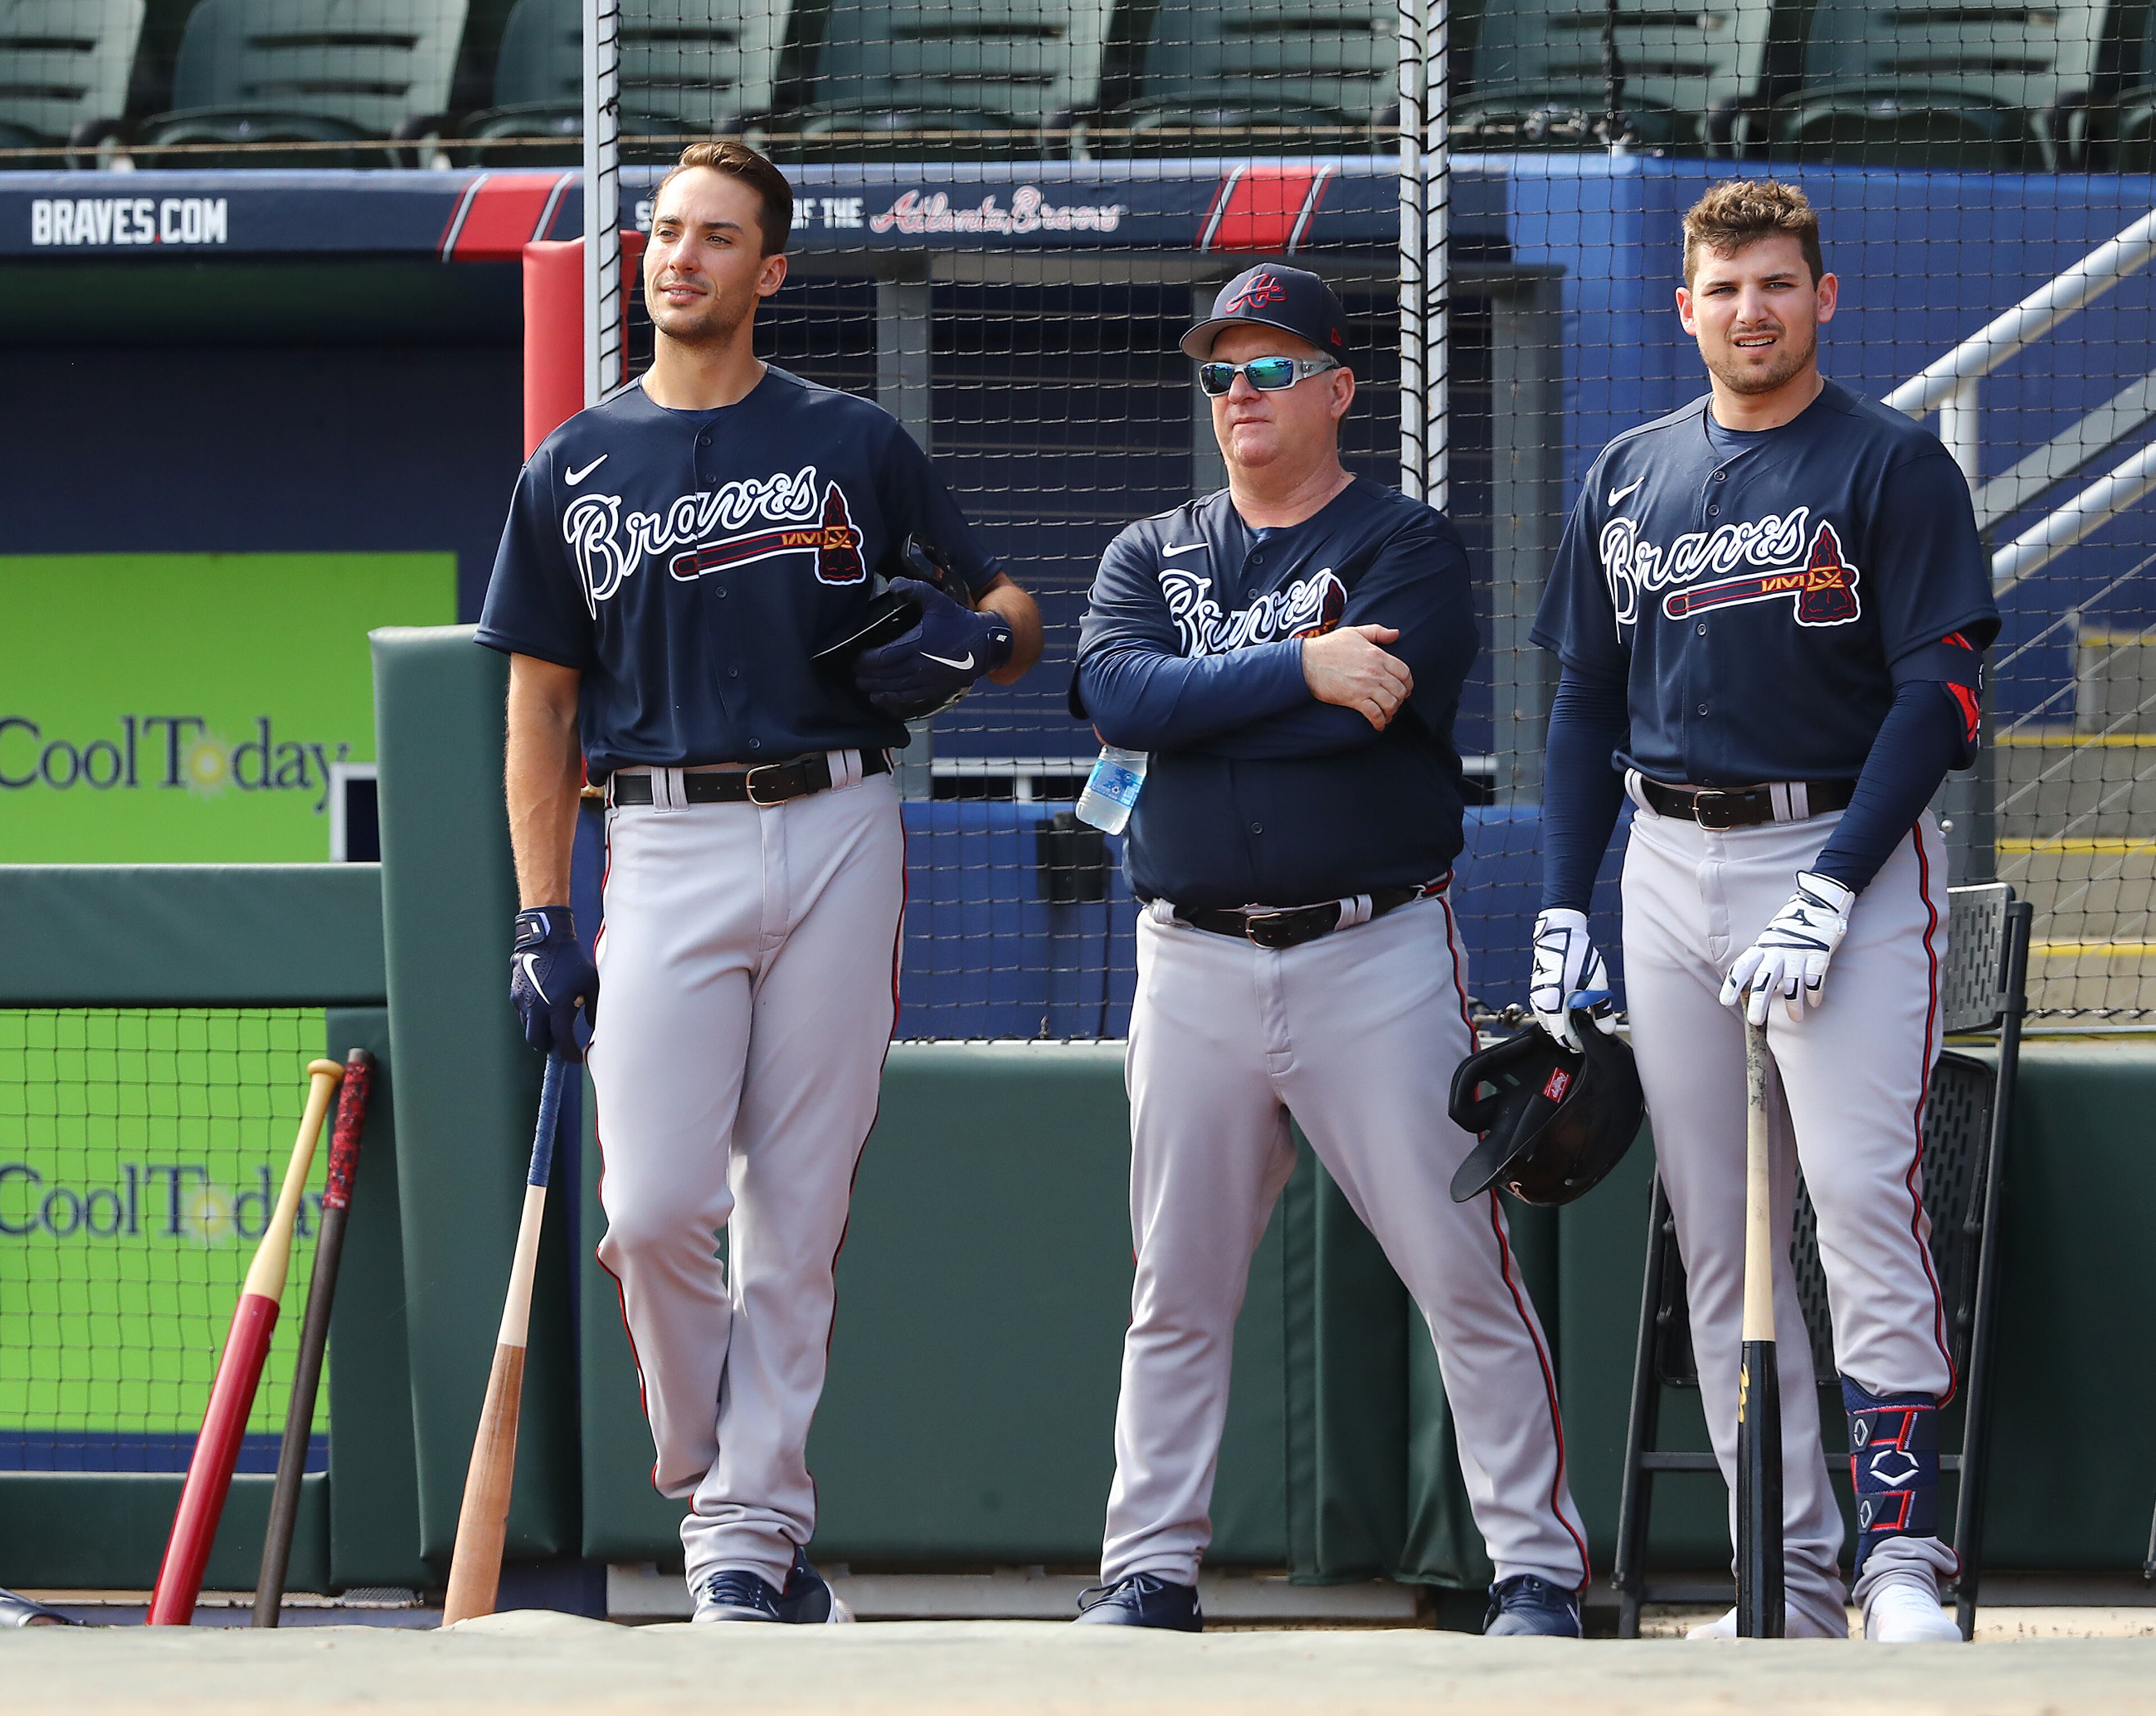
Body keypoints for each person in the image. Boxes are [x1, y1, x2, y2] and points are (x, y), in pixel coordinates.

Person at [476, 140, 1042, 1623]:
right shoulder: (576, 464)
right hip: (659, 839)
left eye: (716, 237)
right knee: (657, 1205)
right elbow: (538, 702)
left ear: (768, 271)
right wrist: (543, 912)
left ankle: (744, 1539)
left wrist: (976, 644)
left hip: (843, 823)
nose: (679, 256)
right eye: (663, 232)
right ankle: (713, 1468)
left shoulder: (854, 440)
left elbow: (1007, 608)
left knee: (794, 1215)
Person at [1067, 263, 1591, 1637]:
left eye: (1271, 367)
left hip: (1373, 954)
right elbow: (1114, 695)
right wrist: (1297, 669)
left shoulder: (1406, 542)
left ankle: (1535, 1568)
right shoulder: (1148, 551)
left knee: (1460, 1270)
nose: (1240, 393)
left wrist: (1210, 708)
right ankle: (1149, 1568)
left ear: (1341, 388)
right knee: (1174, 1288)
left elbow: (1369, 714)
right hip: (1191, 962)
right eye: (1223, 371)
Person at [1530, 179, 1997, 1643]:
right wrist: (1564, 910)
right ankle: (1781, 1582)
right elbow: (1585, 702)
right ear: (1687, 308)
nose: (1752, 310)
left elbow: (1944, 695)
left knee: (1862, 1202)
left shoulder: (1892, 465)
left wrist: (1836, 880)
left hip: (1838, 856)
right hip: (1668, 867)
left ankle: (1902, 1562)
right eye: (1726, 287)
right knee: (1720, 1240)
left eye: (1778, 284)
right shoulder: (1628, 473)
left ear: (1825, 297)